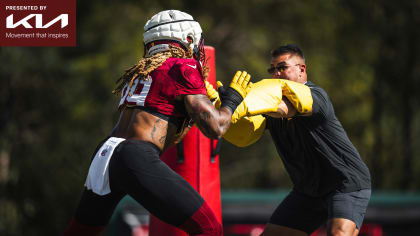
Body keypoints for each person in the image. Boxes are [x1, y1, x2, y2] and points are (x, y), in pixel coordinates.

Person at [61, 10, 251, 236]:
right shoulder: (184, 67)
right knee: (208, 227)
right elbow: (215, 127)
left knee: (80, 232)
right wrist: (232, 100)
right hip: (135, 155)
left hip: (105, 154)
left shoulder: (143, 71)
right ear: (188, 40)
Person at [206, 44, 371, 236]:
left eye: (282, 67)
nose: (276, 73)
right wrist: (221, 107)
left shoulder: (317, 96)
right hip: (308, 191)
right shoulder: (267, 107)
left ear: (302, 69)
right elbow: (245, 135)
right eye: (272, 69)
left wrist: (236, 106)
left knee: (339, 233)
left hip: (345, 183)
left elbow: (286, 108)